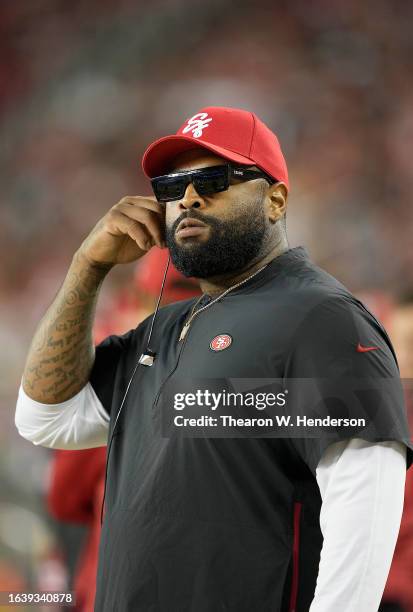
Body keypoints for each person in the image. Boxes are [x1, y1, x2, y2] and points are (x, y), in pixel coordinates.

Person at [15, 106, 413, 612]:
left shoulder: (323, 317)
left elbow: (365, 498)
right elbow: (45, 419)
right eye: (171, 187)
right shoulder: (163, 327)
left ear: (276, 199)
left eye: (215, 179)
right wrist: (87, 267)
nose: (188, 197)